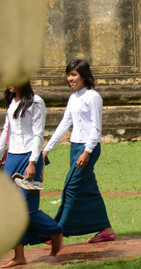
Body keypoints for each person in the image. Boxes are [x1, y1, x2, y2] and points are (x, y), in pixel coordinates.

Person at [42, 59, 116, 243]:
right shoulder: (74, 98)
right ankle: (106, 229)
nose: (70, 78)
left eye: (74, 74)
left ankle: (57, 231)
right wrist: (47, 149)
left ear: (84, 76)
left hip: (87, 148)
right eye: (68, 75)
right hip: (75, 147)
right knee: (88, 188)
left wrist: (87, 151)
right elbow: (64, 124)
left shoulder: (93, 97)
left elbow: (96, 128)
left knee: (71, 187)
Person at [1, 82, 63, 268]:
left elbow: (38, 135)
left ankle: (54, 231)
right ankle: (19, 255)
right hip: (11, 158)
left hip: (28, 157)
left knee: (26, 209)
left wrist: (33, 162)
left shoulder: (36, 102)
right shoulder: (12, 102)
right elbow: (6, 131)